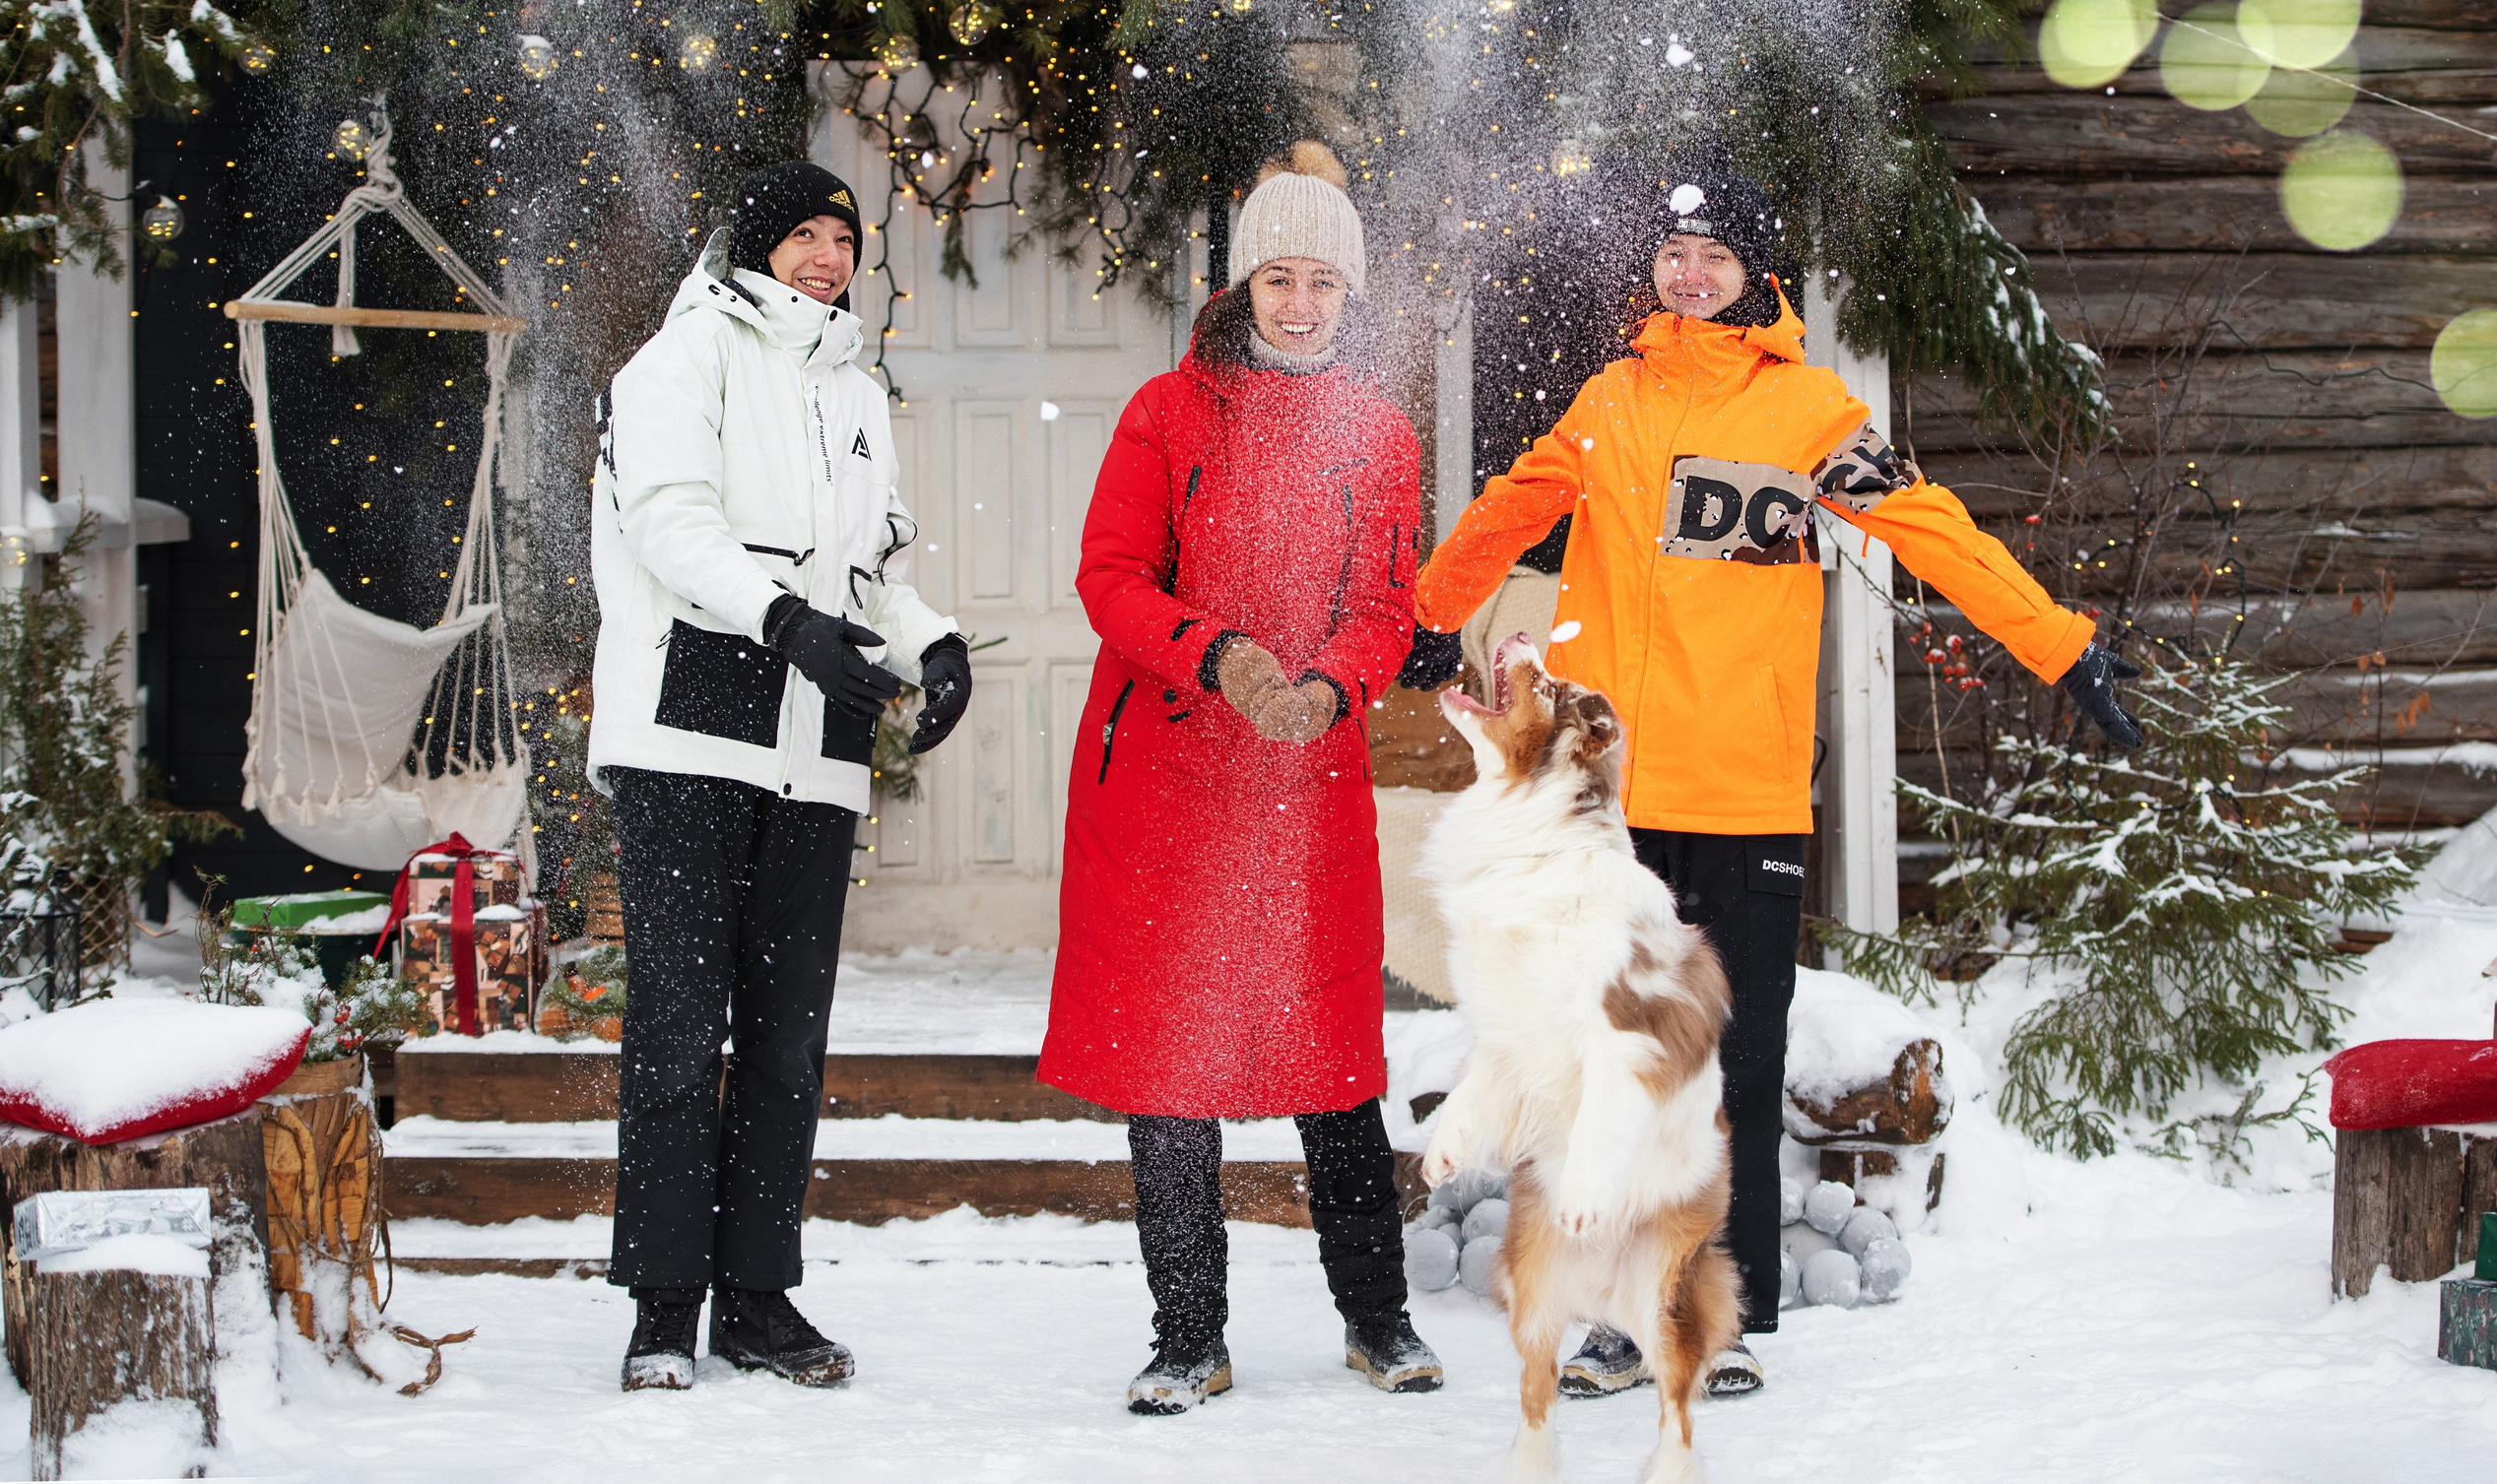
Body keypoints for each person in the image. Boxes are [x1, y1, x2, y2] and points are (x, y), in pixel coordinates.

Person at [1405, 163, 2142, 1399]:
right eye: (1673, 252)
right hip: (1612, 811)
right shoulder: (1609, 400)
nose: (1689, 274)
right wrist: (1430, 612)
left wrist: (2058, 644)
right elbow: (1508, 507)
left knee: (1736, 1065)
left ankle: (1716, 1316)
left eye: (1715, 255)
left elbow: (1930, 526)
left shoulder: (1809, 415)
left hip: (1743, 789)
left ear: (1757, 274)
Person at [1039, 142, 1442, 1414]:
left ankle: (1377, 1319)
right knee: (1170, 1065)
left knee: (1336, 1060)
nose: (1300, 302)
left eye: (1322, 279)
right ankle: (1187, 1335)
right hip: (1168, 778)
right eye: (1279, 276)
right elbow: (1111, 577)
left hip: (1305, 785)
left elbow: (1386, 608)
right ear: (1243, 283)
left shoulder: (1380, 434)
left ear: (1349, 292)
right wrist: (1217, 656)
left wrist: (1330, 684)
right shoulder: (1166, 413)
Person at [588, 159, 972, 1391]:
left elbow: (874, 571)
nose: (825, 255)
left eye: (841, 238)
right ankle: (663, 1307)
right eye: (802, 233)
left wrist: (933, 644)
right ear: (756, 245)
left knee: (786, 1038)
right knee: (677, 1027)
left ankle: (757, 1299)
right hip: (689, 736)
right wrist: (783, 620)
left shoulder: (855, 387)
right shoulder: (683, 357)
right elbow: (667, 522)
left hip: (816, 751)